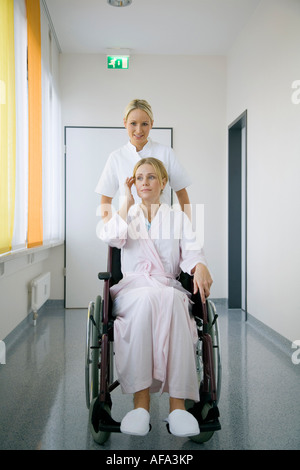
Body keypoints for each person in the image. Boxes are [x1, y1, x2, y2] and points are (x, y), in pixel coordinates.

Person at [100, 157, 213, 437]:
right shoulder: (128, 214)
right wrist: (125, 201)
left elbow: (192, 250)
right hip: (134, 289)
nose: (145, 182)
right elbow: (111, 237)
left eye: (151, 177)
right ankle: (141, 405)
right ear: (133, 184)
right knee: (147, 301)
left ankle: (178, 407)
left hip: (166, 286)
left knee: (174, 303)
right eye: (139, 178)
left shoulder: (177, 217)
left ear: (163, 183)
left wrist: (199, 266)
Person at [95, 99, 191, 221]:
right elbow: (106, 199)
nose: (139, 130)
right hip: (129, 231)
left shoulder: (166, 153)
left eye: (144, 124)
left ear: (152, 123)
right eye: (133, 123)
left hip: (162, 226)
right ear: (125, 123)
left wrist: (186, 228)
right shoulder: (116, 157)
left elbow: (181, 193)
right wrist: (110, 230)